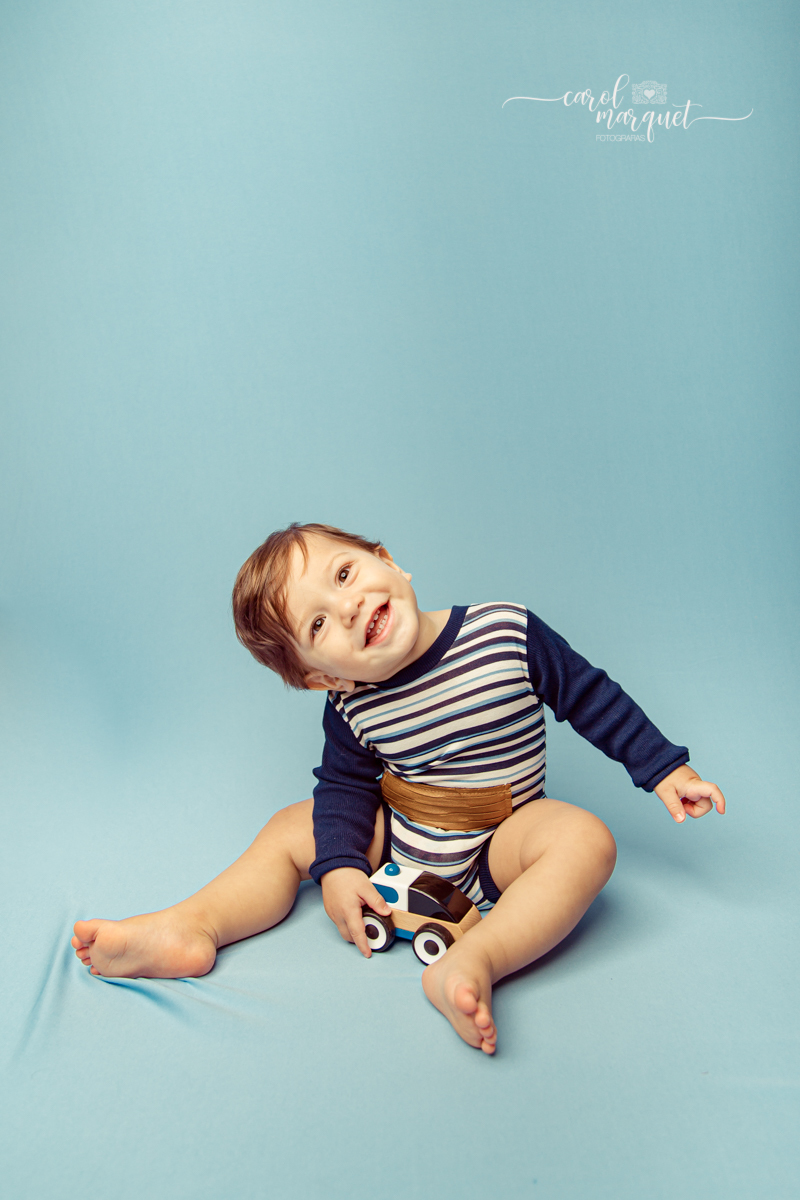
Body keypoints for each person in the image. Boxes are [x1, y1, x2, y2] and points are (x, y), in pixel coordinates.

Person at [72, 522, 726, 1054]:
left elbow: (590, 697)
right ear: (319, 678)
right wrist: (338, 866)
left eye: (346, 574)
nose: (349, 605)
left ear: (388, 560)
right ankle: (193, 926)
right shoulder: (354, 707)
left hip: (503, 840)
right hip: (400, 837)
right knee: (287, 828)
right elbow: (345, 787)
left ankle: (475, 963)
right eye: (319, 625)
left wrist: (664, 768)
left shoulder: (506, 632)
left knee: (585, 840)